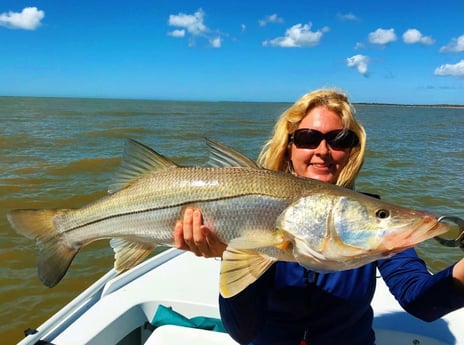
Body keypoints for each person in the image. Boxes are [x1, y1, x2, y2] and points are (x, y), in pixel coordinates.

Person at [173, 89, 464, 345]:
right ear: (289, 147)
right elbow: (243, 332)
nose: (323, 151)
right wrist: (231, 254)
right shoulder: (259, 212)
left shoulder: (371, 223)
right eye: (308, 138)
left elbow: (421, 300)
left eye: (339, 139)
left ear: (351, 152)